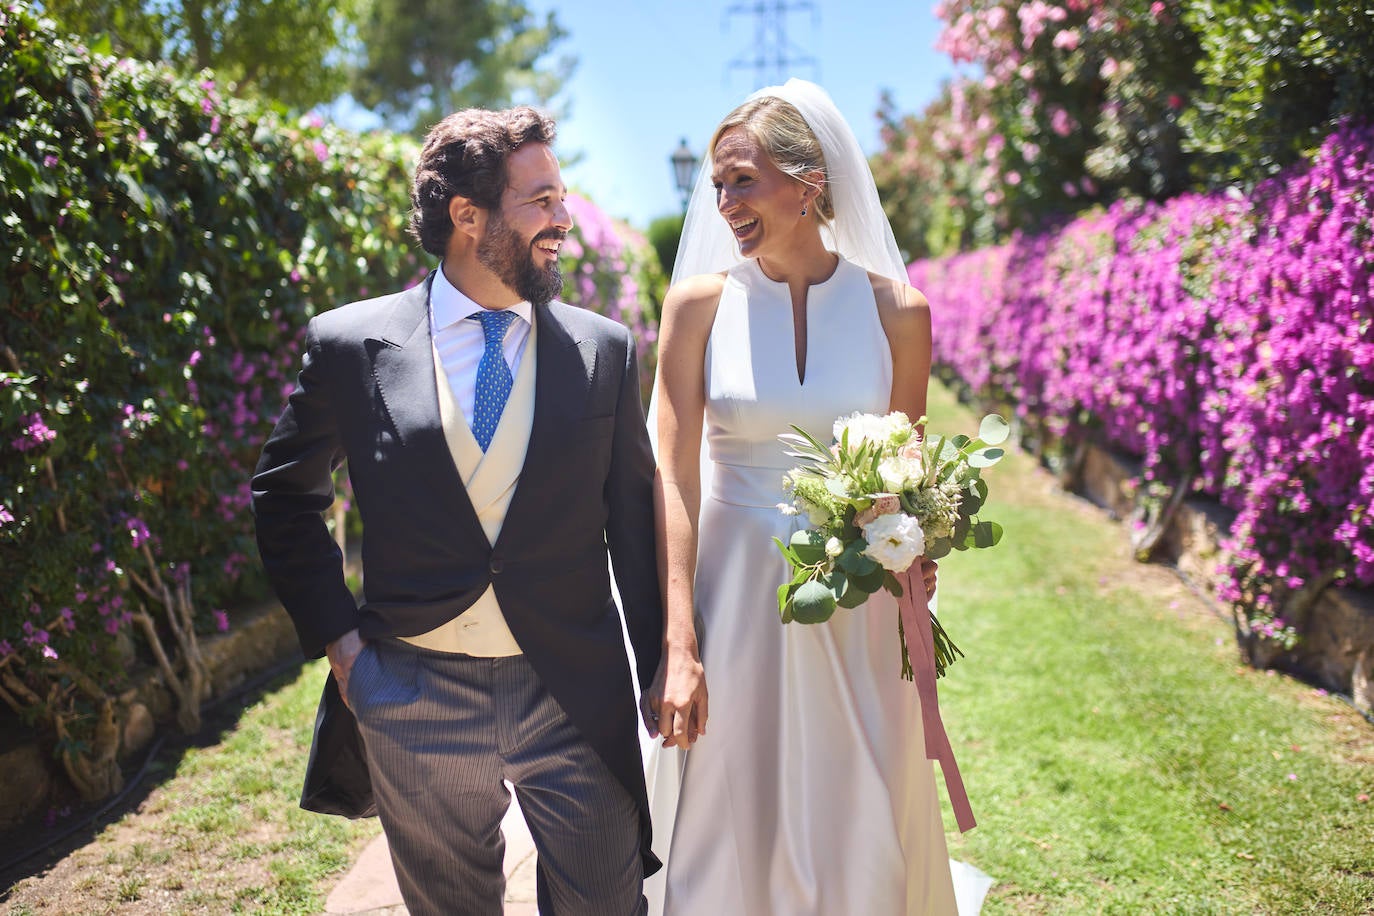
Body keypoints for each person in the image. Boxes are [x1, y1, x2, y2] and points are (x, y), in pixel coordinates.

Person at [251, 106, 664, 916]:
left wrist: (659, 662)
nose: (562, 221)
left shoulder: (602, 349)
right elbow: (284, 493)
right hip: (414, 692)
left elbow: (634, 523)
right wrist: (346, 654)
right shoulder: (349, 345)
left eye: (562, 198)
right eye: (540, 201)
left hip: (572, 690)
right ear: (465, 215)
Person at [639, 80, 993, 914]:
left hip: (854, 604)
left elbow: (904, 467)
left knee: (857, 786)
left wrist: (913, 547)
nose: (723, 202)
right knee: (732, 796)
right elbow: (674, 473)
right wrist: (679, 638)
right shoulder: (695, 308)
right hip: (731, 602)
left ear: (808, 185)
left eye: (743, 181)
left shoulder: (900, 312)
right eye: (717, 185)